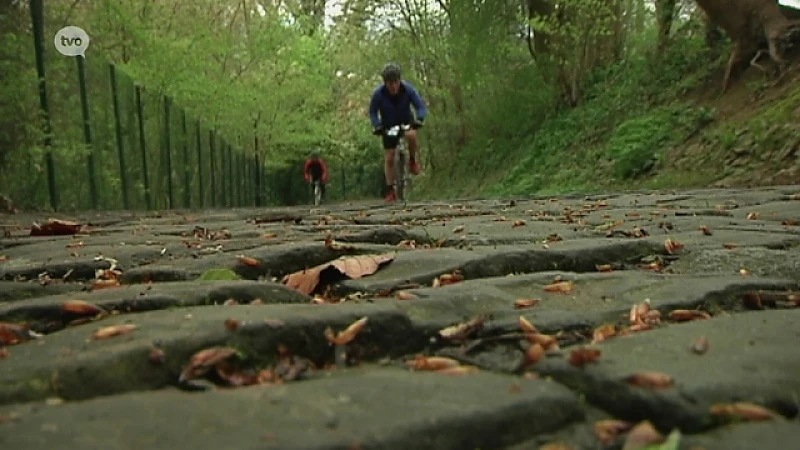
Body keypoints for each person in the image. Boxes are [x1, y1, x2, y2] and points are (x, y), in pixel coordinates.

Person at [368, 62, 427, 203]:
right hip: (388, 126)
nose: (393, 86)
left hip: (406, 121)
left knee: (411, 135)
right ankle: (390, 190)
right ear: (385, 83)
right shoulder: (378, 94)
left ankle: (412, 160)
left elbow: (419, 105)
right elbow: (373, 112)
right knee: (389, 157)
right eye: (390, 83)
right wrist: (377, 125)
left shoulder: (408, 89)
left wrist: (419, 118)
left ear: (399, 80)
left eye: (396, 82)